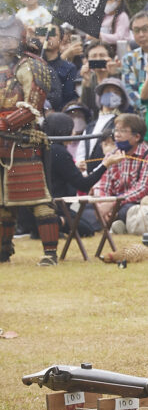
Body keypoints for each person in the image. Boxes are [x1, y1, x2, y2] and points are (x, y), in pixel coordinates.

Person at [0, 16, 60, 265]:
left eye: (9, 36)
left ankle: (49, 254)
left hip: (23, 140)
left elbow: (31, 107)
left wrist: (3, 123)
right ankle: (3, 251)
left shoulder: (32, 65)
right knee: (2, 204)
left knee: (39, 201)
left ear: (21, 37)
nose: (5, 41)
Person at [83, 114, 148, 232]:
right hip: (111, 203)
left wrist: (113, 204)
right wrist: (103, 204)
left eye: (123, 131)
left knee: (129, 211)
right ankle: (112, 222)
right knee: (86, 210)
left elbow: (143, 189)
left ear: (137, 137)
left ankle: (111, 223)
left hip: (134, 203)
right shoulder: (111, 155)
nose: (117, 134)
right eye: (116, 130)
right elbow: (104, 185)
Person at [39, 23, 78, 112]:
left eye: (53, 34)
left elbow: (68, 98)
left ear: (60, 40)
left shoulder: (69, 68)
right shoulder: (31, 63)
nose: (48, 37)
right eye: (45, 33)